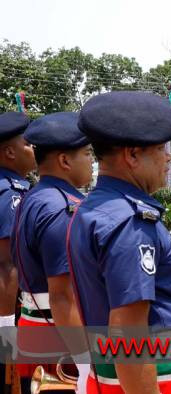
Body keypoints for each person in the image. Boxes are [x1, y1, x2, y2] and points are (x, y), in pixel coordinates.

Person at [67, 91, 171, 393]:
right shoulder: (131, 222)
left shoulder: (94, 209)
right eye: (162, 147)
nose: (169, 157)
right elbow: (129, 329)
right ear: (133, 155)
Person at [11, 112, 93, 393]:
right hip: (61, 337)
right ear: (65, 160)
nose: (92, 161)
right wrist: (85, 363)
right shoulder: (63, 208)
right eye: (87, 153)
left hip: (35, 326)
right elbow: (63, 294)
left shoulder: (30, 199)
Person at [0, 111, 33, 391]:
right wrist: (7, 328)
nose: (33, 149)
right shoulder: (10, 193)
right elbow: (6, 264)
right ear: (9, 152)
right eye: (28, 143)